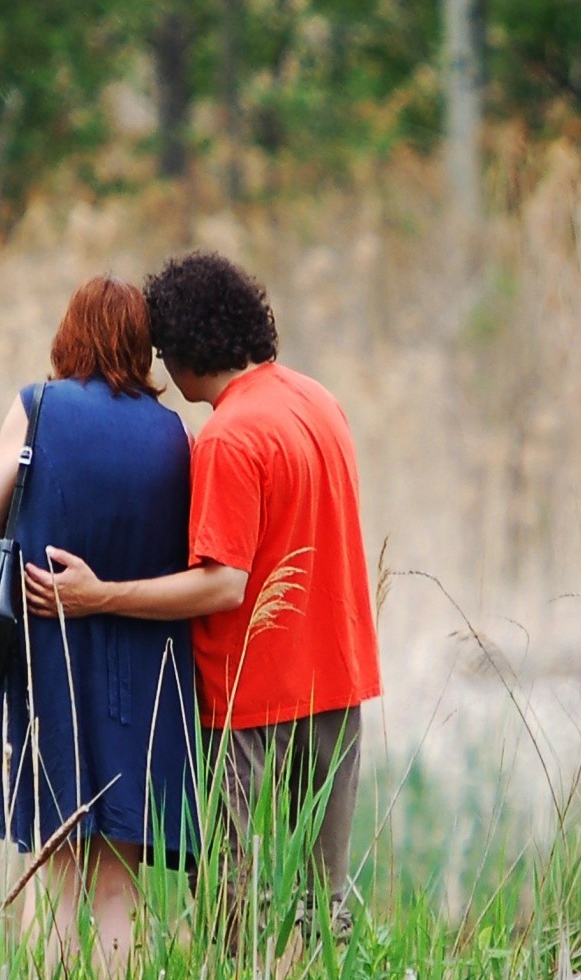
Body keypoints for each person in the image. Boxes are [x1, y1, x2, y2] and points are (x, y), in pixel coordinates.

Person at [24, 251, 381, 943]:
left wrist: (100, 596)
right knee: (323, 905)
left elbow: (224, 582)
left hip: (252, 703)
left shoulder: (227, 436)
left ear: (185, 352)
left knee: (232, 909)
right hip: (338, 684)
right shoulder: (319, 402)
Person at [0, 274, 200, 979]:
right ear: (142, 345)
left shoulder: (39, 408)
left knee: (52, 861)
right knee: (118, 878)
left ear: (69, 334)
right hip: (147, 675)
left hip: (51, 659)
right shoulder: (176, 434)